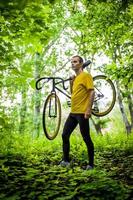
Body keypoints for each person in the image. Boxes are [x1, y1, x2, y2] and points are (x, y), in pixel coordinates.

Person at [60, 55, 95, 169]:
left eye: (75, 62)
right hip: (73, 112)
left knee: (86, 138)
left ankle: (91, 165)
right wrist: (71, 82)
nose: (72, 63)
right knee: (65, 135)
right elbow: (73, 94)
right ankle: (66, 161)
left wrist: (88, 109)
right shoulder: (75, 78)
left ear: (81, 63)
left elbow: (91, 92)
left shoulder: (86, 76)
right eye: (72, 62)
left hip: (82, 112)